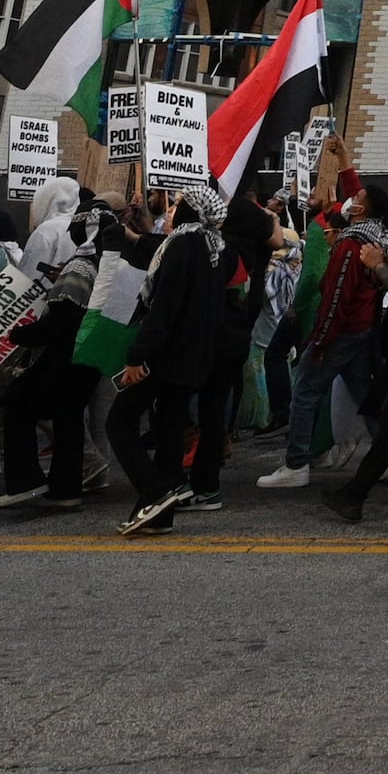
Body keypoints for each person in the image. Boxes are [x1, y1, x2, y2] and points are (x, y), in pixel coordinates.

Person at [110, 183, 238, 536]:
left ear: (192, 210)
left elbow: (164, 307)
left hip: (167, 356)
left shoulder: (182, 244)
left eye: (178, 203)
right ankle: (160, 513)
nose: (171, 208)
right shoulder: (214, 247)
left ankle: (155, 492)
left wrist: (139, 356)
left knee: (119, 423)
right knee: (168, 428)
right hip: (194, 358)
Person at [266, 174, 388, 487]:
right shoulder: (375, 238)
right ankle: (387, 458)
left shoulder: (350, 244)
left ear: (360, 210)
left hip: (342, 332)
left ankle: (296, 465)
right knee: (364, 393)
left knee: (304, 392)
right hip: (361, 330)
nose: (350, 199)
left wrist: (320, 339)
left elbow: (336, 297)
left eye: (356, 198)